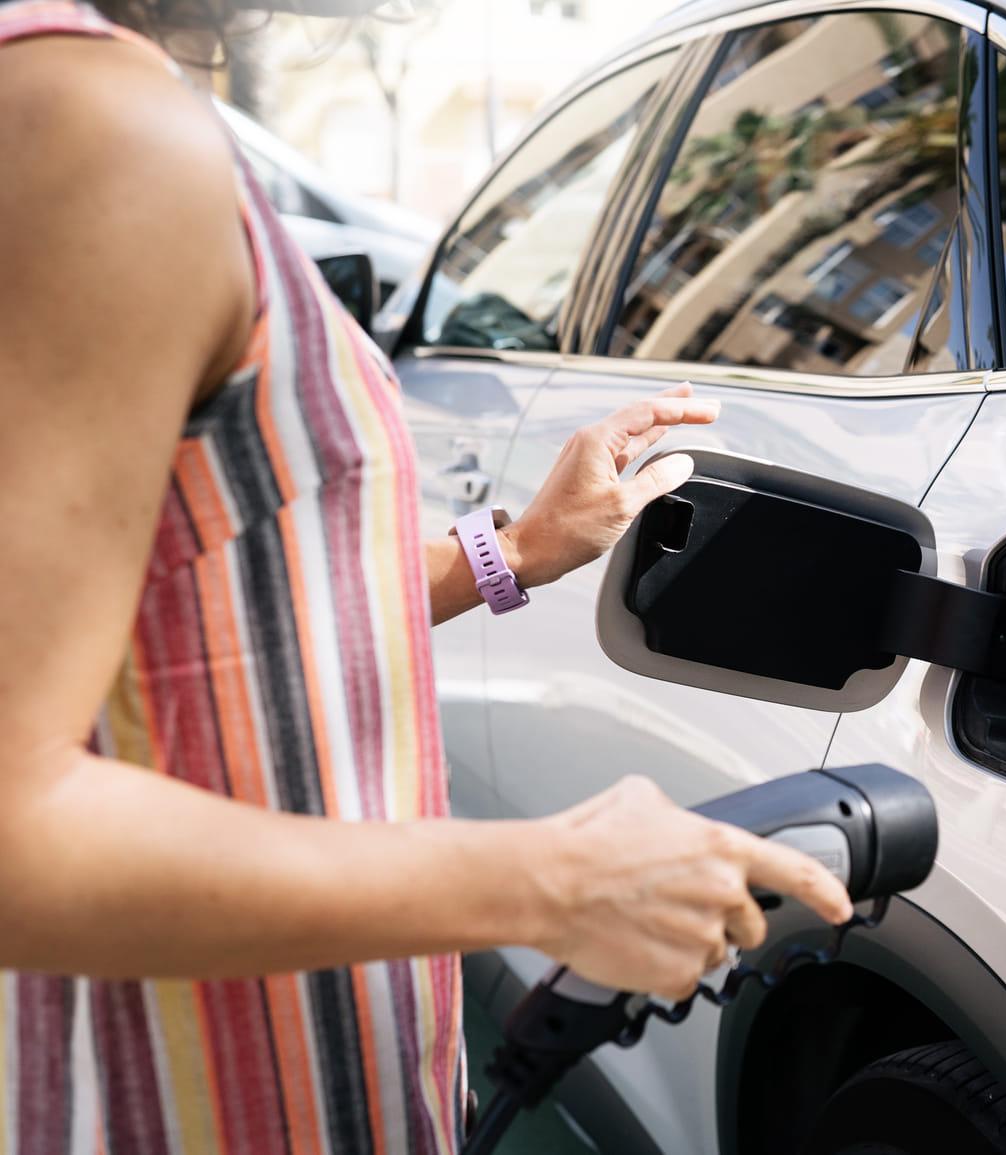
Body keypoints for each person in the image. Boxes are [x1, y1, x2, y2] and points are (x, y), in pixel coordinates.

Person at [0, 1, 855, 1151]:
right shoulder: (96, 123)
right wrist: (543, 881)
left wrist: (517, 552)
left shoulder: (103, 111)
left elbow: (230, 600)